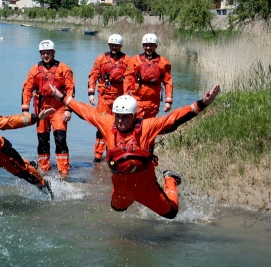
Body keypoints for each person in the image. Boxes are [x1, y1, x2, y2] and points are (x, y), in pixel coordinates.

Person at [50, 83, 220, 219]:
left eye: (125, 116)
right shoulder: (108, 123)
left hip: (147, 186)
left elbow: (173, 119)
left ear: (133, 115)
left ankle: (170, 179)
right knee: (116, 210)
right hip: (121, 187)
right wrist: (64, 99)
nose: (120, 120)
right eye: (117, 115)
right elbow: (86, 111)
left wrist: (201, 104)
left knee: (172, 213)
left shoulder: (147, 126)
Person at [21, 40, 75, 176]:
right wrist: (25, 111)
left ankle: (63, 170)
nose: (46, 55)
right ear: (40, 54)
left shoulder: (64, 69)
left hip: (59, 107)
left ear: (53, 53)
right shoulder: (34, 70)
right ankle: (44, 169)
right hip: (41, 109)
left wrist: (69, 109)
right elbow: (27, 89)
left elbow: (70, 89)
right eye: (43, 53)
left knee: (60, 138)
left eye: (48, 53)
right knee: (42, 139)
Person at [87, 34, 131, 163]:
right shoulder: (101, 59)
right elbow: (93, 76)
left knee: (118, 126)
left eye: (116, 45)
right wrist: (91, 93)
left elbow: (129, 78)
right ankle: (98, 154)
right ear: (108, 45)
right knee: (101, 126)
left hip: (119, 99)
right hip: (104, 98)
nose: (114, 47)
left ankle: (113, 152)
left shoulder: (127, 60)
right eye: (112, 45)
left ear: (121, 46)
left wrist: (127, 96)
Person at [123, 33, 173, 119]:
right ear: (143, 46)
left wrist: (168, 101)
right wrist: (125, 94)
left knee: (149, 127)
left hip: (153, 102)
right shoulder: (135, 60)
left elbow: (168, 82)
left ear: (156, 46)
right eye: (146, 45)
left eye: (151, 45)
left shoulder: (163, 62)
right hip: (137, 100)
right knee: (136, 126)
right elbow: (128, 78)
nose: (148, 48)